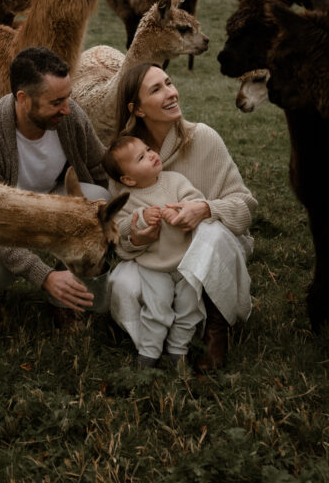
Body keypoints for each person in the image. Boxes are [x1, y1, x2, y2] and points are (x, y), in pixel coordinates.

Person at [107, 63, 257, 372]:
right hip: (159, 258)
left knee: (210, 234)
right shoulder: (123, 159)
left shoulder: (203, 138)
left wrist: (205, 210)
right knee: (122, 283)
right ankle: (152, 349)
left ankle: (216, 329)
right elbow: (118, 233)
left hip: (213, 250)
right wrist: (137, 236)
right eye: (157, 89)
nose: (172, 93)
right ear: (137, 109)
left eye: (169, 83)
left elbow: (245, 206)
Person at [0, 46, 111, 326]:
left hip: (48, 202)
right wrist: (43, 276)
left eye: (68, 97)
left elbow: (100, 167)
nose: (67, 108)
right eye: (56, 102)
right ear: (23, 99)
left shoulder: (70, 116)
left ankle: (64, 294)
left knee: (98, 198)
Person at [103, 135, 208, 368]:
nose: (151, 154)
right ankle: (149, 353)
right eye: (141, 157)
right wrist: (139, 219)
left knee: (189, 308)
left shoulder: (175, 181)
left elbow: (196, 200)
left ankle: (178, 351)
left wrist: (181, 211)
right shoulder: (128, 198)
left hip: (186, 262)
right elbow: (119, 225)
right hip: (154, 266)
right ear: (128, 179)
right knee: (157, 309)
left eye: (148, 149)